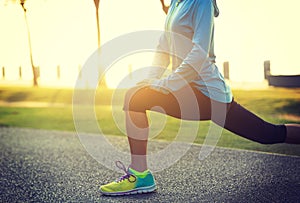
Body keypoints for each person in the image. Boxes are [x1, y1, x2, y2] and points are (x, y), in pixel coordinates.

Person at [100, 0, 300, 196]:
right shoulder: (177, 4)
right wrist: (150, 80)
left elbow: (199, 53)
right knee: (136, 96)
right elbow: (163, 46)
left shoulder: (201, 2)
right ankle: (140, 175)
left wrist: (164, 84)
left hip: (209, 94)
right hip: (188, 91)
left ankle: (140, 176)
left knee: (268, 134)